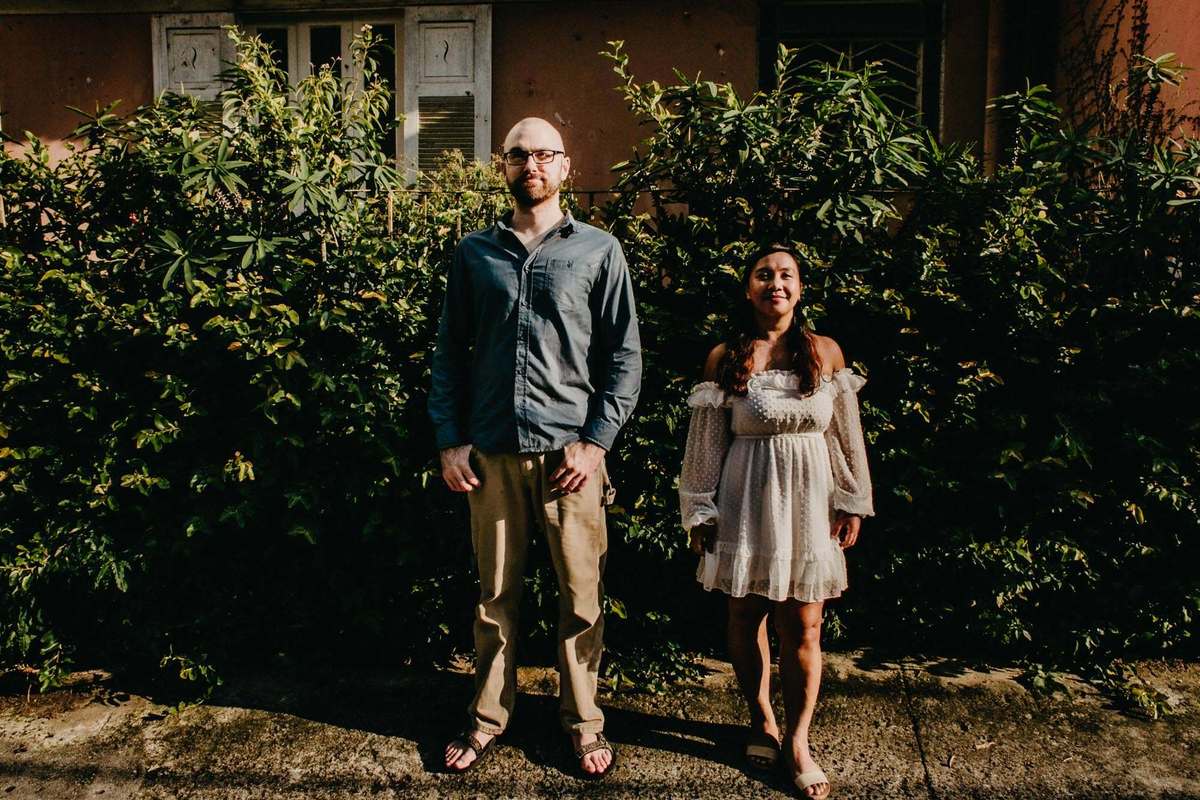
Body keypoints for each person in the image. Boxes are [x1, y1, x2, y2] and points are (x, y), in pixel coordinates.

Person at [428, 117, 641, 779]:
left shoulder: (599, 251)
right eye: (519, 154)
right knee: (494, 600)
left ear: (566, 166)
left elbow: (625, 357)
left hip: (570, 461)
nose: (532, 165)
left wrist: (596, 443)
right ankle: (487, 718)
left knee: (580, 599)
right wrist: (450, 441)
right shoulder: (474, 254)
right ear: (504, 166)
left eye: (545, 154)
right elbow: (449, 353)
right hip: (491, 455)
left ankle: (584, 723)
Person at [678, 245, 873, 799]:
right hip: (745, 501)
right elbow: (705, 443)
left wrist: (852, 499)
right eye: (764, 275)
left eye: (786, 275)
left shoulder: (825, 352)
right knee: (745, 615)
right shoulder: (725, 357)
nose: (775, 284)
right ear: (749, 288)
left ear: (800, 288)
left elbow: (845, 435)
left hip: (810, 504)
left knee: (804, 625)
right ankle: (761, 718)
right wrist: (700, 508)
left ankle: (798, 739)